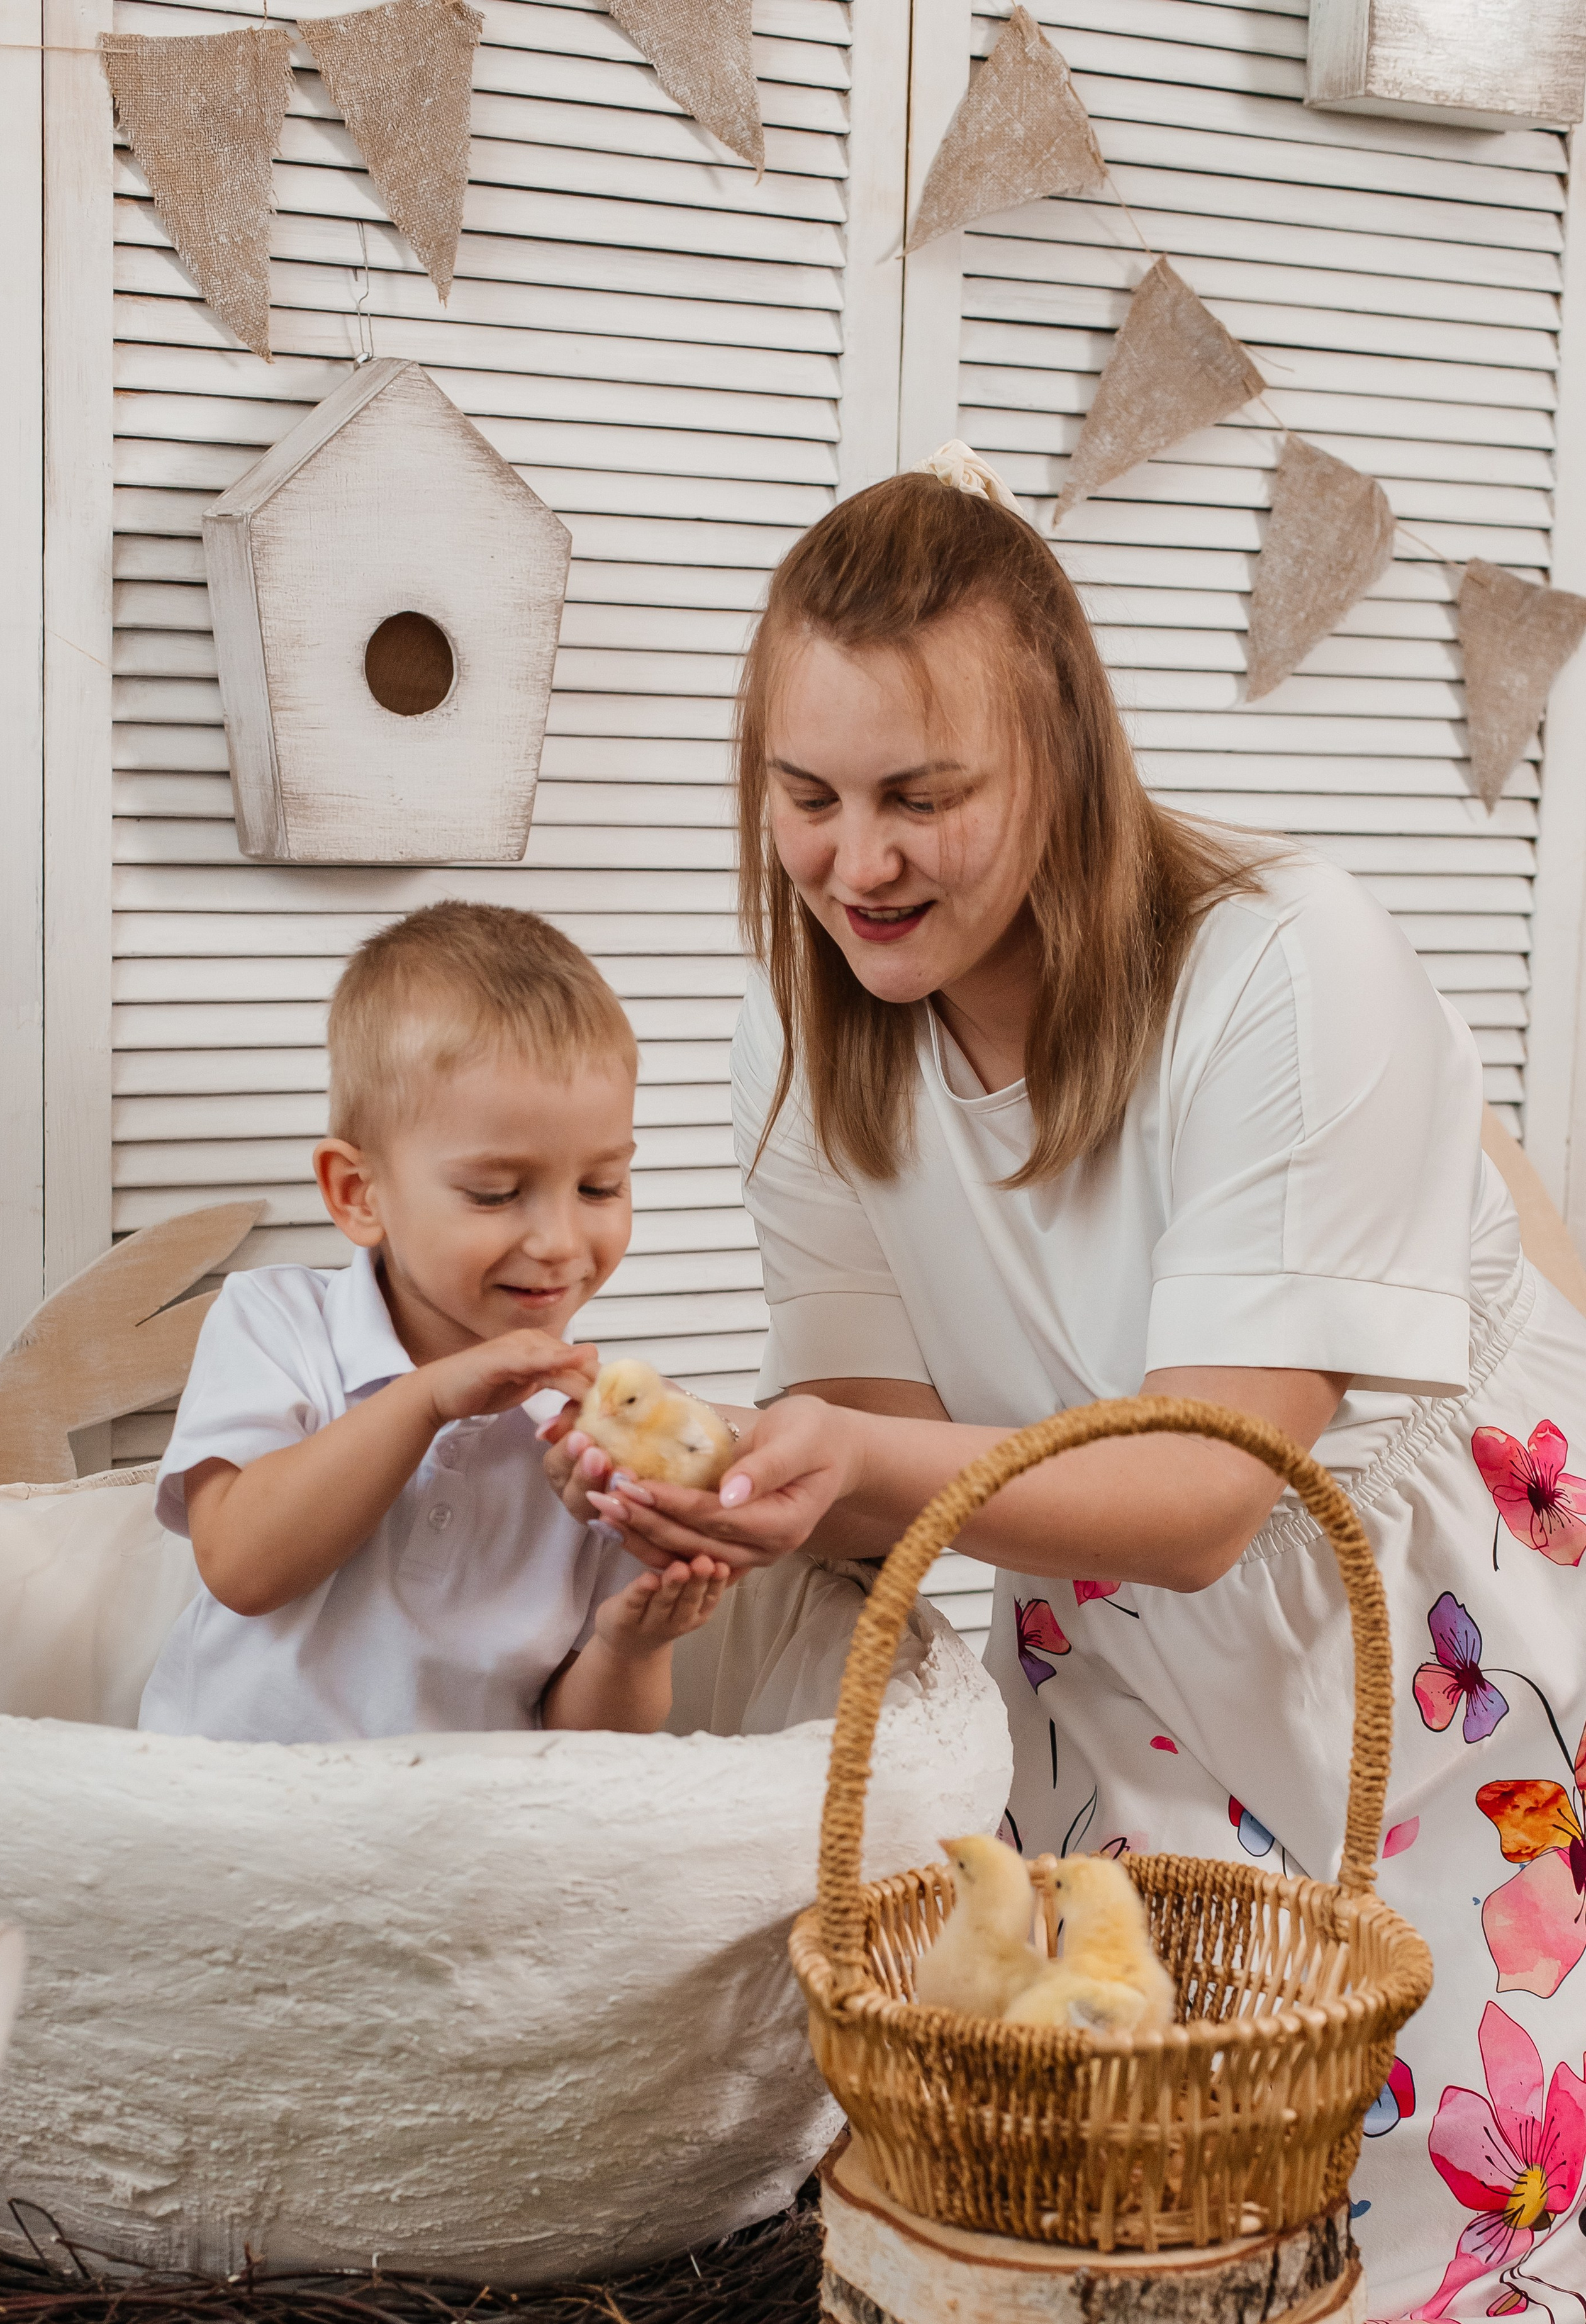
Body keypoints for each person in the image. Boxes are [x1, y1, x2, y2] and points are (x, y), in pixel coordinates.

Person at [545, 456, 1586, 2321]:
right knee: (1143, 2213)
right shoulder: (803, 1033)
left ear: (1064, 768)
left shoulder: (1287, 963)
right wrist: (737, 1489)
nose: (855, 861)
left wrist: (848, 1453)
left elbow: (1209, 1492)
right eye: (808, 796)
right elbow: (890, 1456)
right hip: (1108, 1639)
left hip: (1431, 1640)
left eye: (921, 797)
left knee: (1462, 2232)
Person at [140, 902, 730, 1745]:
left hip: (453, 1858)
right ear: (359, 1194)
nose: (562, 1241)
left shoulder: (600, 1439)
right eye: (495, 1192)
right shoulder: (277, 1322)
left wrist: (632, 1648)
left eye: (600, 1186)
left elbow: (580, 1743)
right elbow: (240, 1564)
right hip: (225, 1836)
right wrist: (424, 1400)